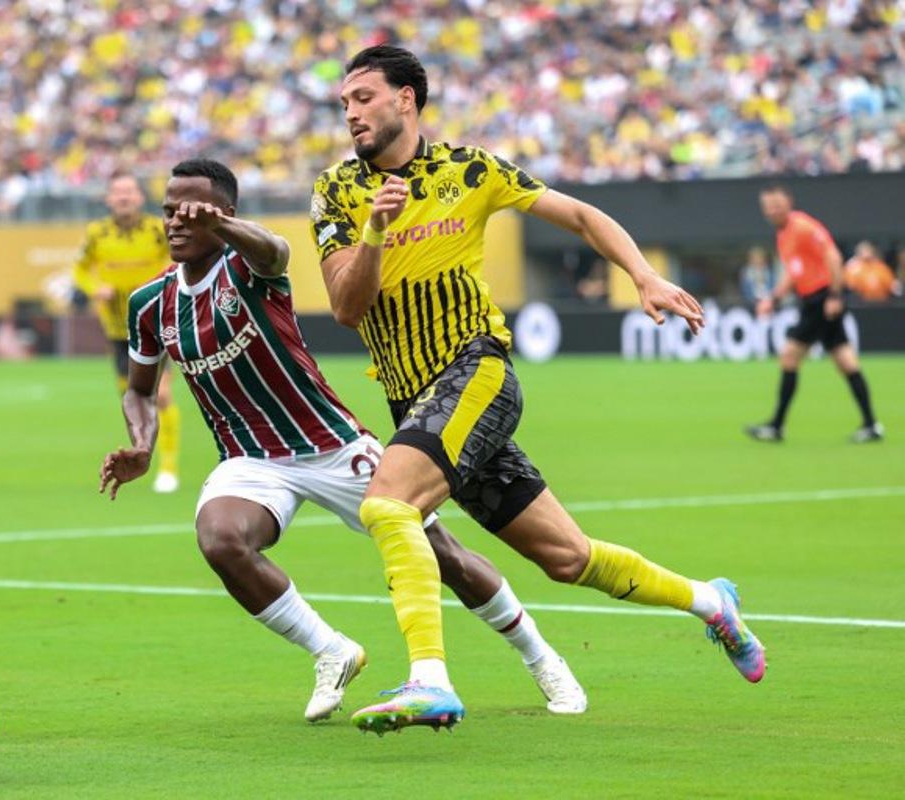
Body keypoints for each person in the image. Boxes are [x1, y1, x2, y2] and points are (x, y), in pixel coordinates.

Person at [311, 46, 765, 734]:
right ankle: (711, 601)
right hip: (418, 402)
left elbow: (582, 217)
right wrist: (375, 227)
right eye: (344, 103)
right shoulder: (338, 191)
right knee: (567, 558)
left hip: (476, 372)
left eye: (364, 98)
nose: (351, 113)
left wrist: (642, 274)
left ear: (406, 98)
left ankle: (429, 679)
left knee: (388, 503)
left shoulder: (472, 169)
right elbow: (346, 307)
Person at [99, 158, 587, 727]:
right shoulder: (149, 304)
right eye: (169, 212)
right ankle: (331, 651)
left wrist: (221, 227)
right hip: (251, 459)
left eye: (192, 213)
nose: (176, 223)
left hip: (329, 444)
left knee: (444, 556)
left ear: (224, 216)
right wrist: (141, 443)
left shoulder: (248, 268)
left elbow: (275, 251)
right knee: (220, 540)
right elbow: (139, 390)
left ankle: (542, 656)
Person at [746, 186, 884, 443]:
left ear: (789, 202)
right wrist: (774, 298)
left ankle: (776, 426)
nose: (772, 210)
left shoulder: (803, 227)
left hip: (821, 299)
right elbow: (793, 272)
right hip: (813, 299)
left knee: (789, 356)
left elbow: (832, 254)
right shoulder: (783, 234)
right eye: (767, 205)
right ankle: (871, 425)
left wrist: (835, 295)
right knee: (845, 361)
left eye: (776, 203)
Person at [75, 173, 182, 492]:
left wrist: (164, 287)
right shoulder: (97, 234)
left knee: (160, 395)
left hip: (156, 323)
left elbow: (179, 259)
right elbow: (80, 269)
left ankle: (168, 468)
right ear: (108, 199)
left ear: (140, 197)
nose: (123, 197)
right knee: (132, 398)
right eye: (118, 191)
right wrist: (96, 288)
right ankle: (141, 453)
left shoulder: (157, 230)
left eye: (130, 191)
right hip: (118, 329)